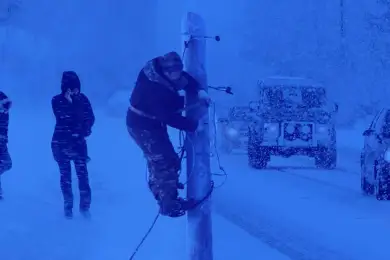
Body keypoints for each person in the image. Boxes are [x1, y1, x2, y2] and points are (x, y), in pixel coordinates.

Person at [126, 51, 211, 218]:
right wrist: (194, 125)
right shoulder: (154, 89)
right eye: (174, 74)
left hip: (152, 121)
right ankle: (169, 204)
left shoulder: (161, 70)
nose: (177, 76)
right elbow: (169, 116)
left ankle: (162, 189)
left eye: (179, 71)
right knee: (164, 160)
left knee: (165, 159)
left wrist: (199, 90)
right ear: (165, 72)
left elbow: (183, 79)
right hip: (141, 125)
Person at [51, 71, 95, 218]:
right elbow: (63, 118)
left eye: (77, 87)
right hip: (61, 144)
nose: (76, 91)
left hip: (79, 144)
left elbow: (90, 118)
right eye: (72, 88)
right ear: (65, 87)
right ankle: (68, 208)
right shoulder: (56, 100)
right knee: (66, 178)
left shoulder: (83, 99)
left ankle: (85, 208)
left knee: (83, 176)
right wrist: (70, 102)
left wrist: (84, 131)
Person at [0, 91, 12, 199]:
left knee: (7, 163)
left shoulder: (5, 113)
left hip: (2, 142)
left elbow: (4, 128)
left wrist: (4, 139)